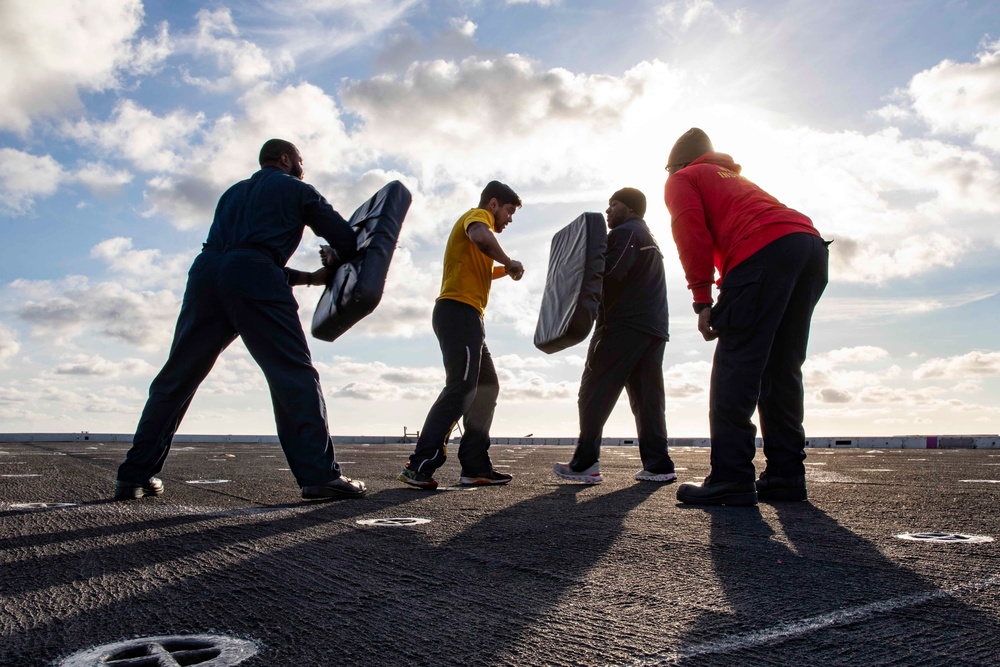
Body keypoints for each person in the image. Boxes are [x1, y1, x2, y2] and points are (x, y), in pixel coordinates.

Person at [114, 139, 367, 501]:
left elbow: (243, 255)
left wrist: (311, 278)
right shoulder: (296, 188)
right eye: (300, 159)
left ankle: (134, 475)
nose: (302, 166)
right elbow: (345, 238)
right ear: (285, 159)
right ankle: (318, 476)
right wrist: (334, 255)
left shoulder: (232, 194)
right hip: (255, 276)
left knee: (176, 378)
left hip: (206, 275)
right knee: (292, 374)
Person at [664, 128, 829, 506]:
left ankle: (731, 477)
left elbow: (690, 233)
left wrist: (702, 299)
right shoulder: (735, 178)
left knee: (736, 367)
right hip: (808, 246)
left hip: (762, 251)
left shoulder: (682, 178)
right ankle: (787, 475)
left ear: (675, 164)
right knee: (781, 368)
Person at [398, 181, 525, 489]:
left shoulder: (481, 235)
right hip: (458, 313)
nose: (509, 219)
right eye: (509, 211)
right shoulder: (477, 216)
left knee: (487, 387)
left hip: (470, 318)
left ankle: (475, 467)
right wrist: (508, 261)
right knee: (461, 389)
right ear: (493, 205)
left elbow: (479, 262)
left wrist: (501, 271)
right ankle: (419, 465)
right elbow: (481, 237)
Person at [553, 188, 676, 484]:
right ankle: (658, 465)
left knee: (593, 391)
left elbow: (610, 274)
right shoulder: (649, 238)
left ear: (631, 209)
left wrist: (573, 289)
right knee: (647, 400)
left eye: (614, 205)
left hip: (623, 325)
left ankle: (585, 463)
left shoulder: (626, 233)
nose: (608, 211)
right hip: (653, 327)